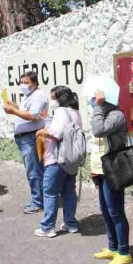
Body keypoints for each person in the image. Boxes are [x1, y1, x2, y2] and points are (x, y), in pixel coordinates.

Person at [90, 90, 133, 264]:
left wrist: (98, 107)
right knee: (105, 211)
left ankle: (124, 253)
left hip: (113, 168)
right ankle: (112, 247)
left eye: (96, 98)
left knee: (115, 211)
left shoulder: (116, 115)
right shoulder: (101, 113)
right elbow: (95, 143)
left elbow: (99, 131)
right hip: (100, 168)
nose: (92, 100)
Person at [34, 86, 82, 238]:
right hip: (71, 160)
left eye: (53, 97)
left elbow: (55, 134)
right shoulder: (75, 112)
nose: (51, 101)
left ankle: (48, 227)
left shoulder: (61, 111)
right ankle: (70, 223)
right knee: (69, 191)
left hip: (56, 159)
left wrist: (41, 131)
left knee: (50, 192)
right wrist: (47, 119)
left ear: (60, 98)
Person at [3, 71, 49, 214]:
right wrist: (15, 107)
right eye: (21, 82)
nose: (23, 85)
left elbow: (33, 115)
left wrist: (14, 111)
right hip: (25, 138)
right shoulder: (29, 96)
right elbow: (26, 111)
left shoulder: (38, 95)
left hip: (30, 138)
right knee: (34, 169)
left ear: (34, 83)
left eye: (26, 82)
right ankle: (39, 198)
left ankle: (38, 201)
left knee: (34, 170)